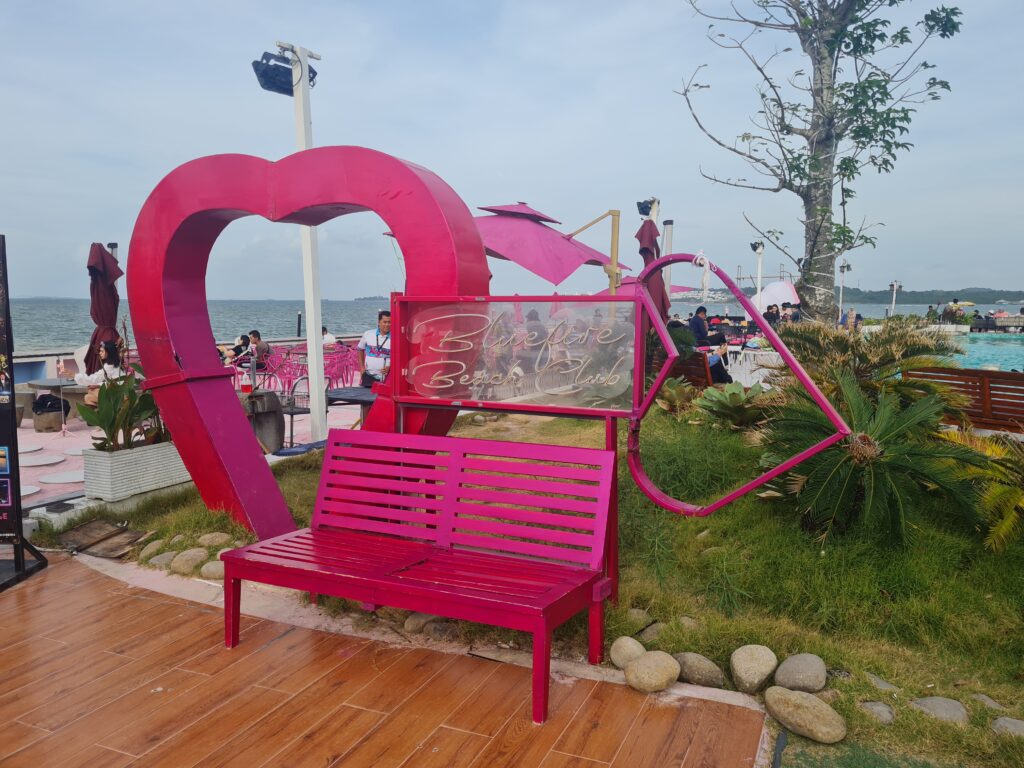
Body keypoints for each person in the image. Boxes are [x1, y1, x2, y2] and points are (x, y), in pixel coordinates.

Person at [63, 341, 124, 407]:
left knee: (89, 395)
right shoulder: (114, 364)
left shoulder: (110, 367)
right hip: (117, 390)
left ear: (108, 352)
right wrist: (98, 385)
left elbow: (95, 378)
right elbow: (110, 381)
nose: (100, 353)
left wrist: (74, 375)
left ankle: (100, 415)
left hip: (118, 394)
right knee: (89, 395)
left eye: (102, 351)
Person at [357, 310, 391, 387]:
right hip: (368, 376)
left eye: (389, 322)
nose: (387, 324)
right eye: (385, 322)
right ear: (379, 322)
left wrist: (390, 366)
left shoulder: (396, 337)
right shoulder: (368, 334)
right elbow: (360, 349)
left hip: (387, 378)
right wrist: (362, 368)